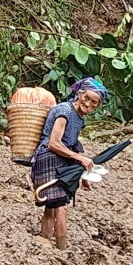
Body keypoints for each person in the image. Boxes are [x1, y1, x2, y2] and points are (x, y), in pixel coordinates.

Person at [30, 76, 108, 250]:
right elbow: (54, 143)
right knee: (61, 206)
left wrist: (82, 173)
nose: (87, 104)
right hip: (48, 157)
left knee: (52, 205)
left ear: (97, 106)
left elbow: (71, 145)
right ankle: (62, 249)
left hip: (62, 160)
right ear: (79, 94)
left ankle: (45, 240)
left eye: (93, 102)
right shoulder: (64, 111)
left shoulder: (79, 119)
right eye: (86, 98)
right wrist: (80, 159)